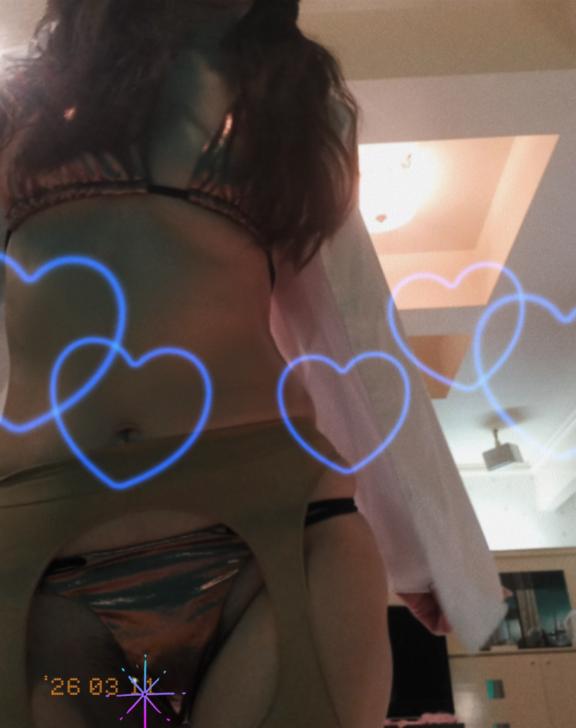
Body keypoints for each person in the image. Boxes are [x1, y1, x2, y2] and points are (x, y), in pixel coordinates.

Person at [0, 1, 507, 727]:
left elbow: (352, 323)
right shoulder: (18, 108)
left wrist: (424, 551)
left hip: (276, 539)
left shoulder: (285, 107)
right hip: (43, 554)